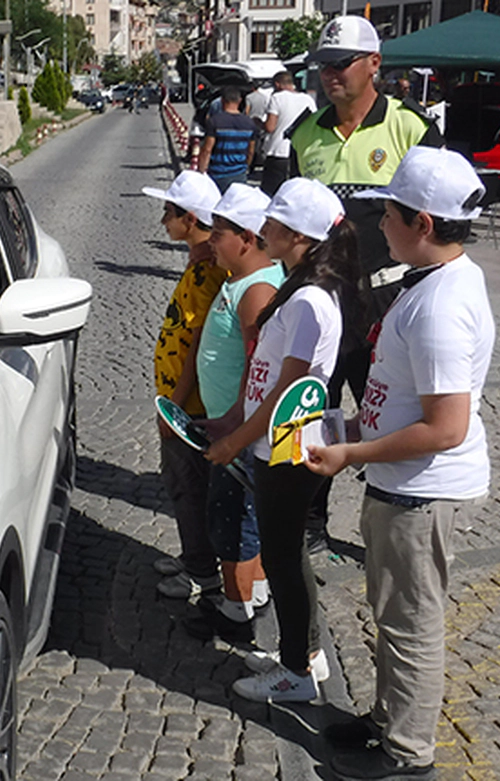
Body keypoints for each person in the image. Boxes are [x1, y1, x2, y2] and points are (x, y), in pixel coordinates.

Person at [305, 147, 494, 780]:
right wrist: (354, 427)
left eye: (388, 213)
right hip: (401, 482)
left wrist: (351, 452)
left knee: (411, 625)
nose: (378, 224)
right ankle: (387, 720)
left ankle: (409, 756)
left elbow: (446, 427)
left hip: (418, 490)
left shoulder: (441, 306)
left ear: (423, 223)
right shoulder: (435, 280)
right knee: (393, 616)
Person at [203, 178, 367, 702]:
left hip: (286, 448)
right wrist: (233, 418)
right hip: (269, 442)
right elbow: (262, 372)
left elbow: (284, 391)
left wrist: (235, 441)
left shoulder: (310, 302)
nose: (263, 228)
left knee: (284, 559)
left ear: (297, 234)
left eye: (272, 222)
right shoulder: (299, 286)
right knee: (283, 555)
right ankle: (305, 653)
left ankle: (297, 670)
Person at [289, 15, 443, 552]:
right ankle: (311, 522)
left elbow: (437, 222)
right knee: (316, 412)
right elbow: (287, 223)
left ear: (374, 63)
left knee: (390, 413)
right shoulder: (304, 135)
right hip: (324, 302)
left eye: (341, 64)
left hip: (388, 302)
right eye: (323, 66)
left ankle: (394, 521)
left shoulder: (411, 128)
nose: (329, 75)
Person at [186, 183, 285, 641]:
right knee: (233, 519)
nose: (210, 240)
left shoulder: (257, 291)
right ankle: (252, 595)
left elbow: (257, 363)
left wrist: (234, 425)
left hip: (239, 431)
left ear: (246, 237)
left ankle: (238, 612)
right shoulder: (237, 280)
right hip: (229, 423)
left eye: (219, 232)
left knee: (235, 524)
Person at [142, 170, 228, 600]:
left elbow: (198, 342)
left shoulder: (209, 271)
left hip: (189, 404)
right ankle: (196, 555)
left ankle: (202, 572)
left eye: (168, 213)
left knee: (187, 485)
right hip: (180, 397)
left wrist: (173, 407)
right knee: (185, 484)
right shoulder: (203, 261)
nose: (163, 223)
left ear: (190, 219)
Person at [261, 71, 317, 196]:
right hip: (299, 152)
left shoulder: (277, 98)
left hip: (277, 151)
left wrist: (258, 122)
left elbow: (270, 127)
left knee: (270, 193)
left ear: (277, 84)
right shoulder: (307, 99)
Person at [199, 85, 258, 192]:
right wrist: (245, 167)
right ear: (240, 101)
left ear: (222, 100)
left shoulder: (215, 121)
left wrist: (201, 171)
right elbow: (251, 151)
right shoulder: (250, 123)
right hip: (239, 174)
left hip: (217, 174)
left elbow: (207, 150)